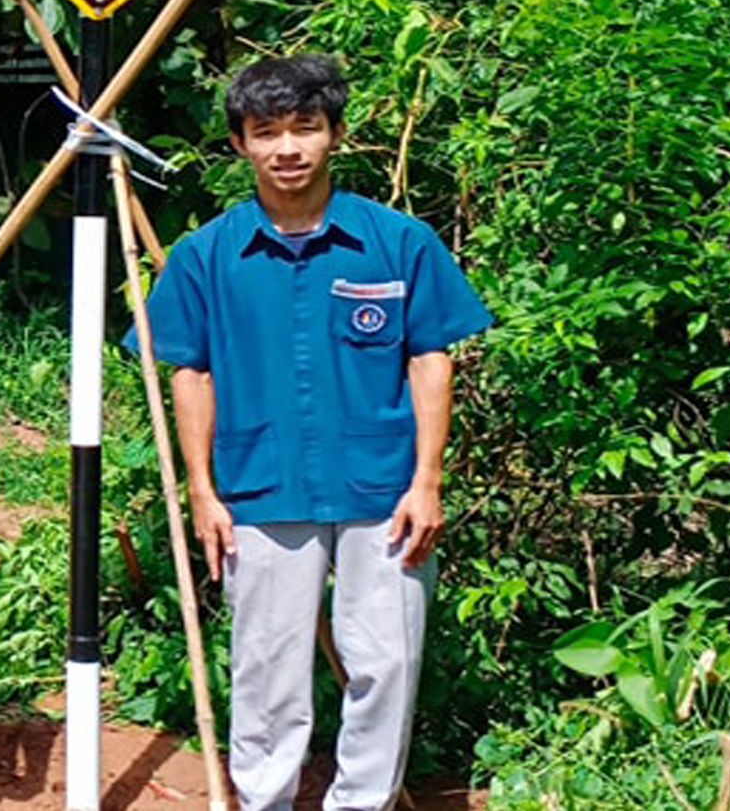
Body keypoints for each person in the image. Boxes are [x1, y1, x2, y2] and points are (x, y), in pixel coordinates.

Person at [143, 54, 492, 811]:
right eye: (266, 132)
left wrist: (427, 481)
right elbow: (190, 373)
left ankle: (360, 801)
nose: (287, 148)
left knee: (386, 663)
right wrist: (201, 490)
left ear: (335, 133)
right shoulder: (206, 256)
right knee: (266, 669)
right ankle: (262, 800)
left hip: (384, 491)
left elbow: (431, 357)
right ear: (239, 143)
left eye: (305, 127)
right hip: (258, 489)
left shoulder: (398, 241)